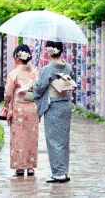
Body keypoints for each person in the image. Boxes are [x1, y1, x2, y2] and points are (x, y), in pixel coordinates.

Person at [34, 41, 75, 183]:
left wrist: (35, 83)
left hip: (54, 105)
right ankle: (64, 171)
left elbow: (39, 89)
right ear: (61, 51)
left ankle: (58, 173)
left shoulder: (47, 69)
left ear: (49, 51)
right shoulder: (68, 67)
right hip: (66, 105)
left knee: (53, 140)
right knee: (63, 139)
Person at [4, 44, 39, 176]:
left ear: (16, 57)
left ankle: (19, 167)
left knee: (18, 137)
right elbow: (39, 89)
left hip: (19, 108)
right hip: (32, 107)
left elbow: (8, 93)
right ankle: (30, 167)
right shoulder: (35, 73)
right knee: (31, 136)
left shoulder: (14, 74)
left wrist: (6, 105)